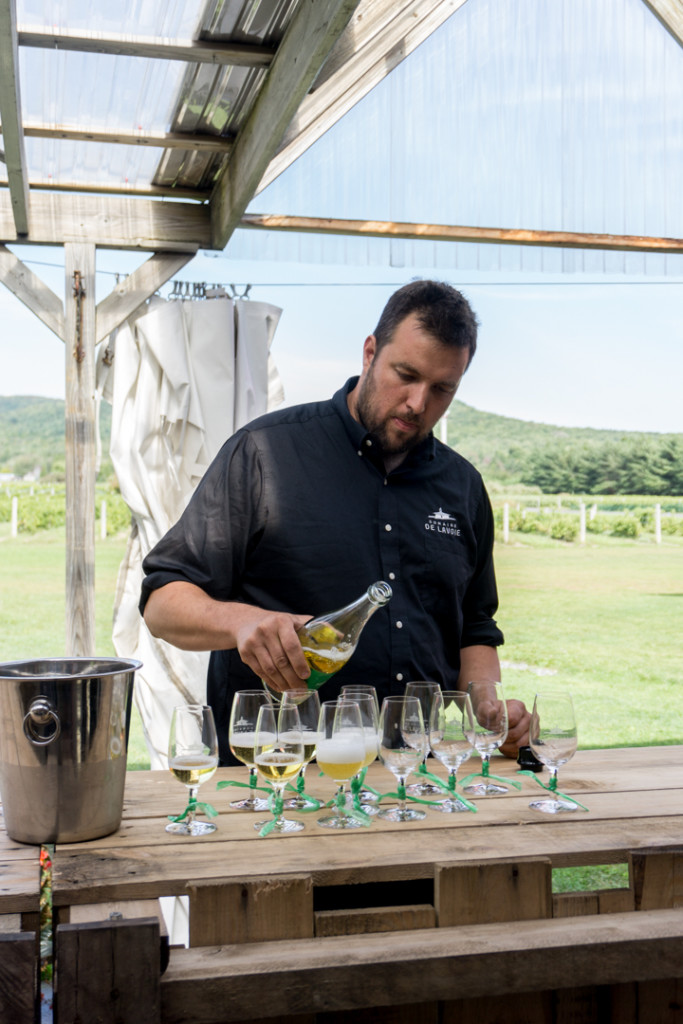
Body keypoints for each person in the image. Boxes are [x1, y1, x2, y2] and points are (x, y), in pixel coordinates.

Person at [140, 280, 529, 763]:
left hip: (413, 777)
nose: (417, 402)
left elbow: (474, 627)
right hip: (278, 772)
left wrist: (486, 708)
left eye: (442, 388)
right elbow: (162, 602)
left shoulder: (464, 487)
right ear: (370, 353)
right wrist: (243, 621)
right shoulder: (265, 453)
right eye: (404, 374)